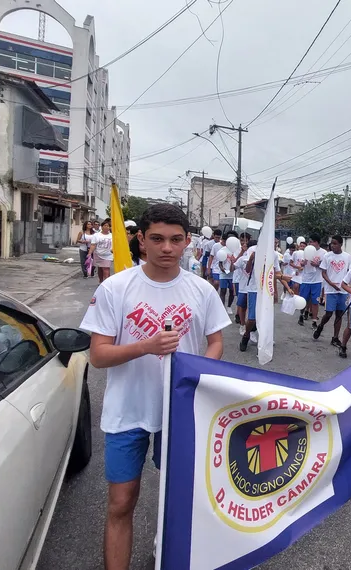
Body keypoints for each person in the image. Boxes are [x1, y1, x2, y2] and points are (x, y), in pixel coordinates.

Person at [79, 203, 229, 570]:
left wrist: (199, 371)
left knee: (175, 498)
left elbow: (216, 341)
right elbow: (97, 356)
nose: (167, 248)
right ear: (141, 241)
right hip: (126, 410)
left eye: (176, 240)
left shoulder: (202, 291)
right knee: (121, 503)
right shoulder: (116, 287)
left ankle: (168, 555)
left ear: (187, 242)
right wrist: (146, 346)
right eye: (157, 239)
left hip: (179, 413)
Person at [314, 235, 351, 347]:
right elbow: (323, 272)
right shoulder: (327, 256)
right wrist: (330, 283)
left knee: (339, 314)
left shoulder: (347, 257)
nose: (332, 245)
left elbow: (349, 272)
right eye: (332, 243)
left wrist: (347, 286)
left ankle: (335, 337)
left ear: (341, 244)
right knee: (329, 313)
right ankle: (321, 325)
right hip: (331, 289)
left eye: (335, 243)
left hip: (343, 290)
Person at [298, 236, 324, 326]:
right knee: (303, 299)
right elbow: (301, 264)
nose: (310, 244)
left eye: (312, 242)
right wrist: (303, 263)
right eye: (309, 242)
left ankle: (314, 321)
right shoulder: (306, 250)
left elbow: (325, 266)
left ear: (317, 242)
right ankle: (301, 315)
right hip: (306, 279)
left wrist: (317, 264)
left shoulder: (323, 253)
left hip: (316, 281)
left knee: (315, 301)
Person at [88, 218, 115, 283]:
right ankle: (101, 280)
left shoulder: (112, 236)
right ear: (102, 227)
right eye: (104, 226)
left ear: (110, 227)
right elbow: (93, 245)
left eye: (108, 226)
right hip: (98, 254)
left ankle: (106, 283)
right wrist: (89, 253)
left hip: (108, 255)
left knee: (106, 268)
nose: (106, 227)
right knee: (100, 268)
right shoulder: (96, 235)